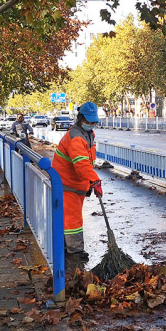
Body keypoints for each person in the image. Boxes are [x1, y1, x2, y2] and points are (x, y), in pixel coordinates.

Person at [51, 102, 102, 261]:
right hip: (67, 184)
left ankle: (67, 246)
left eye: (93, 122)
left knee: (70, 216)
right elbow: (80, 164)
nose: (91, 124)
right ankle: (75, 251)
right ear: (80, 119)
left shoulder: (89, 134)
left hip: (77, 183)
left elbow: (87, 161)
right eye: (89, 121)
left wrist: (90, 182)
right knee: (73, 219)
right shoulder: (76, 137)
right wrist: (94, 179)